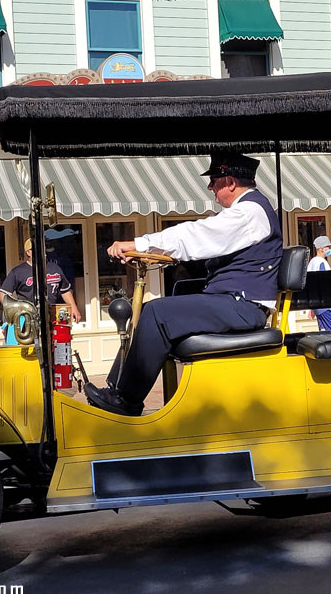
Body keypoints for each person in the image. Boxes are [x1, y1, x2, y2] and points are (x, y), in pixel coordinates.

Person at [85, 152, 282, 416]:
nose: (210, 187)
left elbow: (197, 234)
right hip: (234, 300)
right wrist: (158, 253)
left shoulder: (249, 212)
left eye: (214, 180)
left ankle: (127, 399)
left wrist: (139, 244)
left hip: (243, 306)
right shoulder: (246, 211)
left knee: (156, 312)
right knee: (166, 303)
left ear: (231, 182)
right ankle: (117, 388)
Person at [0, 239, 81, 344]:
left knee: (55, 351)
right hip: (27, 321)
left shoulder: (54, 268)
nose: (41, 251)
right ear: (28, 252)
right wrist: (14, 310)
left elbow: (65, 290)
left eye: (42, 248)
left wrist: (74, 307)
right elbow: (3, 294)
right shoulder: (17, 272)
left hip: (51, 318)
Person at [307, 235, 331, 331]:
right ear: (322, 249)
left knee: (323, 333)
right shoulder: (321, 262)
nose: (329, 249)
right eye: (328, 247)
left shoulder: (312, 262)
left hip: (317, 306)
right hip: (326, 305)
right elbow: (324, 283)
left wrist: (312, 308)